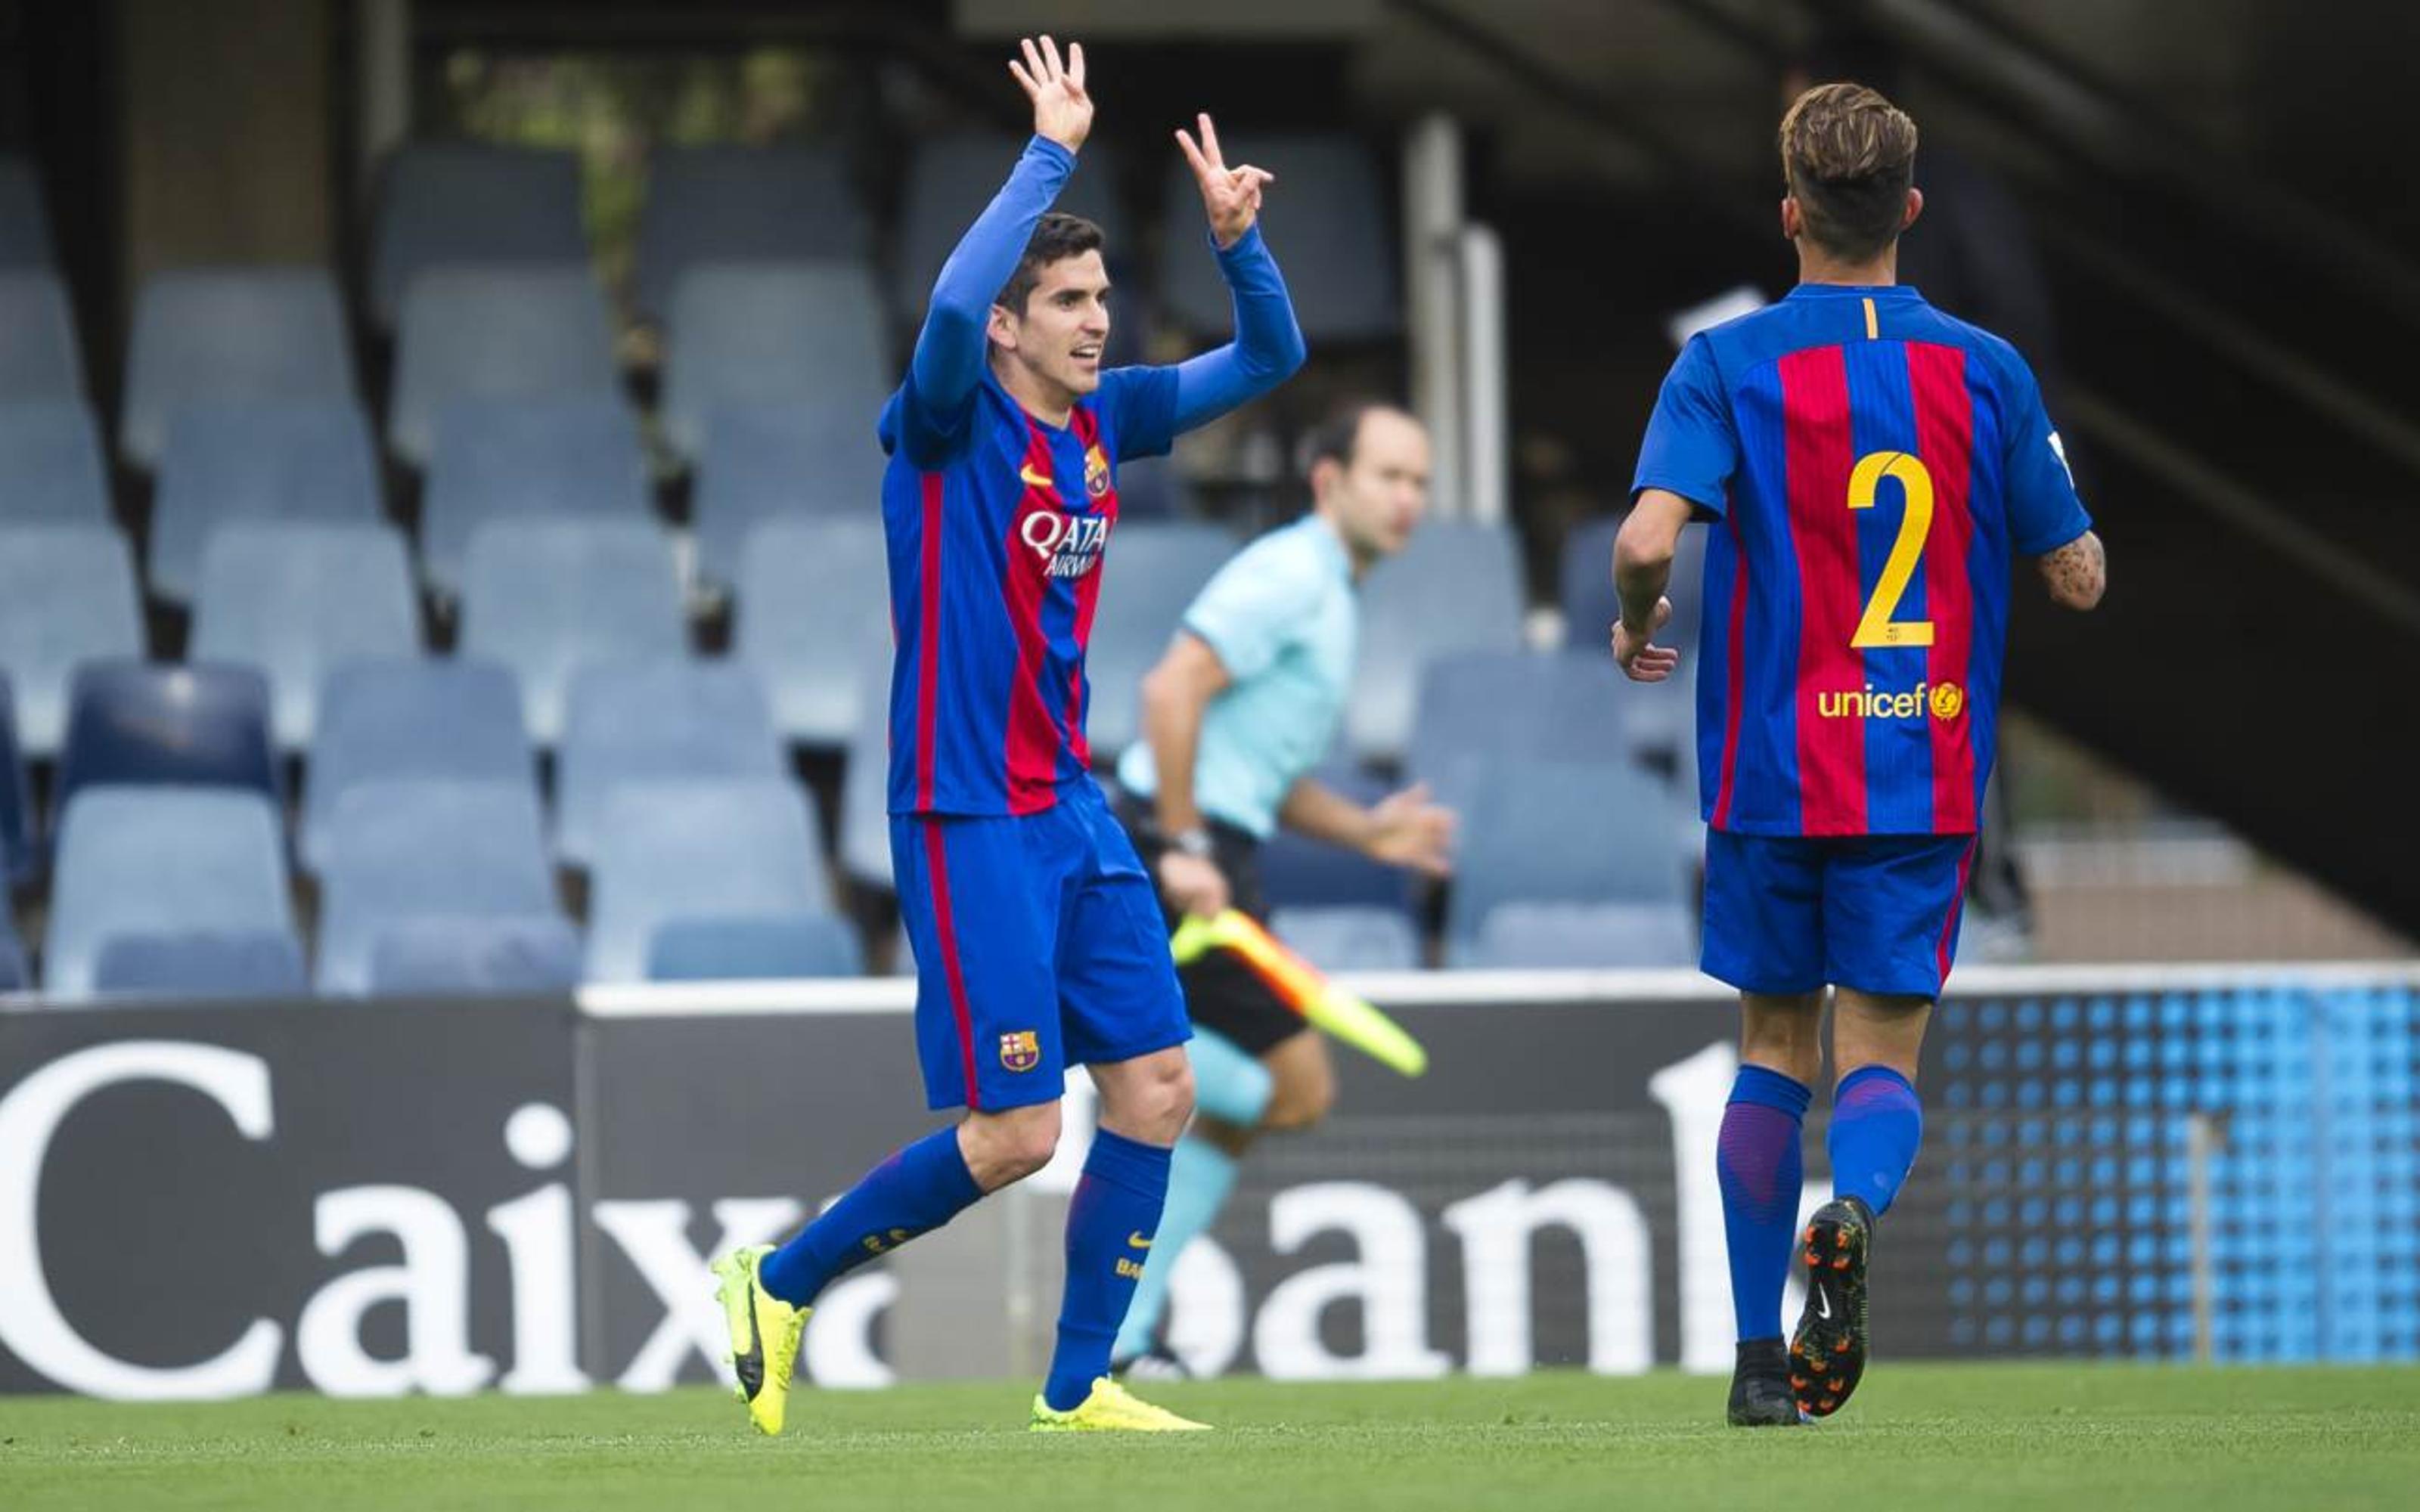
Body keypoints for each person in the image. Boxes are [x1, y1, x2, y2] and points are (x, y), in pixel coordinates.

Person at [711, 35, 1305, 1436]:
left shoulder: (1114, 419)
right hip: (964, 806)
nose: (1098, 321)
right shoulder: (943, 421)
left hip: (1070, 807)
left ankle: (1081, 1387)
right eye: (1068, 300)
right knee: (1019, 1137)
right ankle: (777, 1281)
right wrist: (1049, 148)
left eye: (1103, 295)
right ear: (1008, 324)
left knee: (1157, 1087)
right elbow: (942, 307)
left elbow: (1271, 355)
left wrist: (1239, 247)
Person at [1612, 82, 2105, 1428]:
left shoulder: (1724, 362)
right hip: (1921, 769)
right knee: (1882, 1056)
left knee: (1772, 1045)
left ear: (1789, 215)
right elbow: (2076, 575)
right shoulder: (1987, 371)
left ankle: (1759, 1367)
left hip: (1776, 775)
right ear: (1914, 210)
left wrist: (1634, 621)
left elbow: (1650, 538)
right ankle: (1858, 1206)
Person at [1106, 402, 1454, 1375]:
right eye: (1388, 475)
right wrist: (1179, 839)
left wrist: (1364, 829)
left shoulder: (1333, 591)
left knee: (1260, 1096)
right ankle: (1105, 1061)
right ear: (1326, 481)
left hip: (1213, 843)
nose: (1407, 499)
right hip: (1176, 847)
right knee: (1286, 1088)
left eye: (1419, 481)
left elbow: (1259, 766)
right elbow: (1169, 690)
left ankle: (1123, 1337)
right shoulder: (1291, 573)